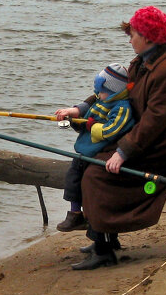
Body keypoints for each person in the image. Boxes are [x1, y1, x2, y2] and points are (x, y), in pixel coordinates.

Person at [57, 5, 166, 271]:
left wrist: (123, 152)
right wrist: (78, 110)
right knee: (88, 160)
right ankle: (104, 234)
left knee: (96, 175)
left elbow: (155, 121)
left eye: (132, 34)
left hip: (164, 147)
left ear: (148, 36)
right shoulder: (143, 62)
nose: (129, 39)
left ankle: (103, 249)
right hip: (143, 138)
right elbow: (115, 93)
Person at [53, 62, 134, 233]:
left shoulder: (122, 107)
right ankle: (75, 213)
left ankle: (87, 221)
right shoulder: (100, 101)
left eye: (102, 91)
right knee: (72, 179)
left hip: (100, 152)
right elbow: (86, 118)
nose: (97, 94)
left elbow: (112, 130)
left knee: (88, 184)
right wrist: (73, 119)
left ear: (115, 91)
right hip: (85, 151)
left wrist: (92, 126)